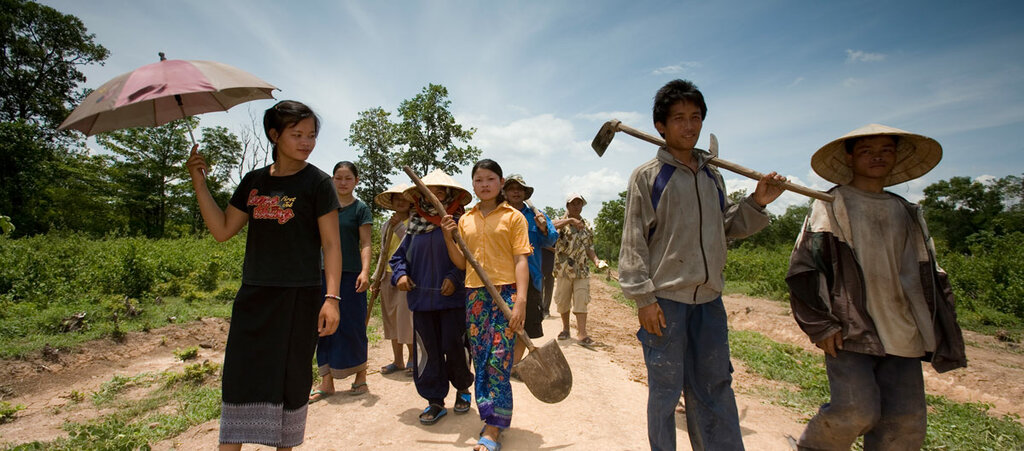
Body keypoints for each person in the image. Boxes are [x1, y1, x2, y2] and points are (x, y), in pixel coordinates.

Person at [618, 79, 787, 451]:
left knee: (714, 387)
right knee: (665, 391)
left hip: (709, 301)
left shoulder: (713, 175)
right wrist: (644, 299)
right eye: (678, 118)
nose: (689, 126)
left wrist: (757, 203)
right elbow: (633, 240)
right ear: (660, 126)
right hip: (665, 303)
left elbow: (726, 228)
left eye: (695, 117)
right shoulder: (649, 177)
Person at [786, 124, 967, 450]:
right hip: (851, 331)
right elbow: (804, 269)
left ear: (896, 156)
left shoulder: (906, 212)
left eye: (886, 150)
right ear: (851, 158)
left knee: (905, 424)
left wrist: (943, 326)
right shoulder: (832, 204)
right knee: (854, 411)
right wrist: (822, 324)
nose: (877, 157)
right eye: (867, 151)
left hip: (904, 333)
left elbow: (931, 272)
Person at [186, 100, 341, 450]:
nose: (306, 142)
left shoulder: (318, 183)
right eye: (297, 134)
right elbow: (223, 229)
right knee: (242, 378)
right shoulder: (253, 181)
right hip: (254, 296)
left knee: (291, 380)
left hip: (299, 296)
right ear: (274, 134)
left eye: (311, 135)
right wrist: (200, 184)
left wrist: (331, 299)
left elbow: (331, 246)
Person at [440, 159, 531, 451]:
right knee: (481, 360)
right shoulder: (465, 220)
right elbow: (461, 263)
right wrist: (447, 236)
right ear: (473, 184)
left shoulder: (514, 217)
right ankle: (489, 415)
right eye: (478, 180)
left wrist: (521, 302)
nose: (484, 185)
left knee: (499, 360)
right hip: (475, 295)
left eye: (490, 179)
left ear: (501, 183)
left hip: (505, 294)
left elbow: (521, 260)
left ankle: (494, 428)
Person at [390, 170, 475, 426]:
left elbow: (469, 259)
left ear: (448, 194)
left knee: (456, 346)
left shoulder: (459, 222)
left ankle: (462, 389)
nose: (433, 195)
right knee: (427, 351)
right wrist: (401, 276)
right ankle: (434, 400)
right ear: (420, 195)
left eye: (439, 191)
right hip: (422, 302)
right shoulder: (414, 226)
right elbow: (397, 259)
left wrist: (453, 278)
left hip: (453, 301)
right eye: (428, 191)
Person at [309, 161, 373, 402]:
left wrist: (365, 271)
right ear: (332, 180)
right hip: (323, 274)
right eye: (338, 178)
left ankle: (361, 375)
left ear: (356, 181)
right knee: (323, 326)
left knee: (353, 325)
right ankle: (327, 381)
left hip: (351, 275)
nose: (343, 182)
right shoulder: (324, 208)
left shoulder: (360, 209)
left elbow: (365, 243)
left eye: (348, 178)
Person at [502, 173, 558, 364]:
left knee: (523, 323)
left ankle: (515, 365)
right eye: (511, 188)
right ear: (505, 193)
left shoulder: (536, 215)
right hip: (502, 276)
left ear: (525, 193)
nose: (515, 192)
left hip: (531, 277)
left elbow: (552, 239)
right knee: (503, 323)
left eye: (519, 189)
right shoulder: (498, 214)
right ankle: (504, 362)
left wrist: (543, 228)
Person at [370, 183, 414, 376]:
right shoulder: (387, 224)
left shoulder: (415, 222)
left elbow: (411, 246)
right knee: (391, 319)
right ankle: (398, 360)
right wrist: (376, 278)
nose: (401, 202)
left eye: (405, 198)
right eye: (397, 199)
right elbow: (384, 252)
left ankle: (413, 359)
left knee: (406, 319)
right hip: (388, 275)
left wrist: (398, 227)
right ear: (392, 202)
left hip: (406, 275)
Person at [551, 192, 605, 345]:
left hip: (582, 270)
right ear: (567, 206)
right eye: (573, 203)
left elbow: (589, 248)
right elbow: (549, 227)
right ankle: (566, 329)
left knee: (581, 300)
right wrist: (570, 220)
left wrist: (596, 261)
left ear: (582, 206)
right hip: (563, 270)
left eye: (579, 203)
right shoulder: (562, 223)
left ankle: (582, 334)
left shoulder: (587, 225)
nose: (576, 206)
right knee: (562, 301)